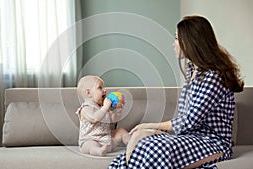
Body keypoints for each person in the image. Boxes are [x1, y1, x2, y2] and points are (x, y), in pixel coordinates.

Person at [109, 15, 244, 168]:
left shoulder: (213, 76)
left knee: (156, 149)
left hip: (213, 143)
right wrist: (147, 130)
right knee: (140, 138)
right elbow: (184, 119)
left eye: (177, 38)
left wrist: (151, 125)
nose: (173, 44)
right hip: (189, 137)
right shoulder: (192, 70)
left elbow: (189, 120)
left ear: (190, 42)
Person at [76, 75, 130, 157]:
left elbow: (112, 120)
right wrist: (105, 107)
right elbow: (94, 118)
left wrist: (118, 112)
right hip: (90, 139)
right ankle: (98, 151)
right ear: (88, 93)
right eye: (100, 88)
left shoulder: (103, 108)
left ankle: (133, 145)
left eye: (104, 87)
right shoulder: (85, 108)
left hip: (106, 140)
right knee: (90, 145)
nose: (105, 90)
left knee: (121, 131)